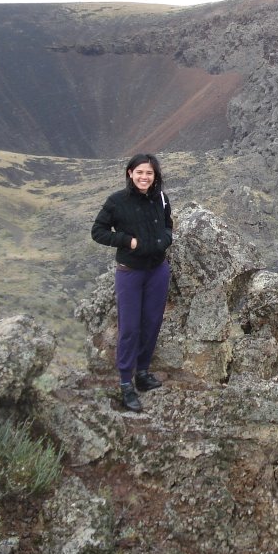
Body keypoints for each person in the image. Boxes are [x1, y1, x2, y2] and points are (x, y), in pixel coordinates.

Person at [91, 153, 173, 412]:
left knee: (152, 322)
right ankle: (126, 383)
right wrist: (129, 241)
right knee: (130, 327)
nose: (144, 177)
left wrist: (165, 240)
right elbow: (98, 232)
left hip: (157, 271)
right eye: (139, 172)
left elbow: (168, 224)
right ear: (130, 173)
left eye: (149, 173)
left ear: (155, 176)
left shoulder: (160, 198)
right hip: (130, 272)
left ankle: (143, 373)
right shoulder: (117, 202)